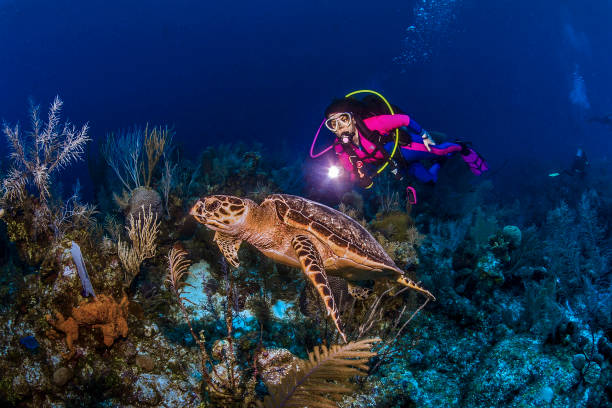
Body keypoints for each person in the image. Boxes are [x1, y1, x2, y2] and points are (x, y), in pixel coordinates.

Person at [324, 97, 488, 189]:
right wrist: (361, 180)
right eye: (333, 124)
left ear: (353, 118)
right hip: (400, 163)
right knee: (430, 181)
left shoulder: (372, 124)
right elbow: (351, 171)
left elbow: (404, 120)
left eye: (343, 119)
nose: (340, 127)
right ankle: (441, 162)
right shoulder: (341, 148)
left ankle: (462, 147)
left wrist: (423, 134)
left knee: (438, 150)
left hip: (406, 148)